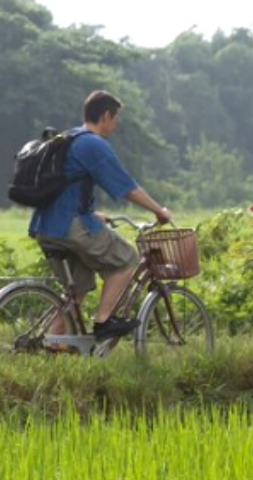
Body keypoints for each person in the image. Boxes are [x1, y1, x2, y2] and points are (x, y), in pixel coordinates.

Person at [28, 90, 173, 340]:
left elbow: (65, 187)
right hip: (69, 226)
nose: (115, 126)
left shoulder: (69, 138)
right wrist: (158, 211)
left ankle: (51, 343)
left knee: (77, 291)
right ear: (105, 115)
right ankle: (104, 321)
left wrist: (91, 213)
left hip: (46, 224)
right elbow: (127, 187)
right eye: (115, 119)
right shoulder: (93, 144)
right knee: (127, 259)